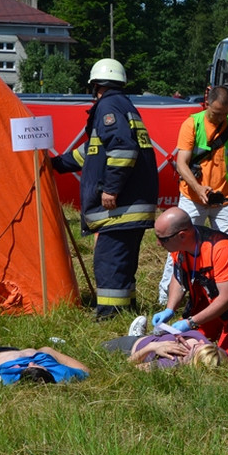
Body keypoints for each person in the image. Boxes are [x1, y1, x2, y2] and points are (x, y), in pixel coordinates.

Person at [50, 58, 158, 319]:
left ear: (96, 85)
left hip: (120, 205)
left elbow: (123, 149)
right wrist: (55, 164)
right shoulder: (124, 105)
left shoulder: (108, 106)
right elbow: (94, 152)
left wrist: (111, 189)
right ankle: (126, 311)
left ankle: (110, 315)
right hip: (133, 203)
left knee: (109, 262)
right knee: (121, 261)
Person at [160, 86, 228, 303]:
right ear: (207, 103)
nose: (219, 118)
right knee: (178, 247)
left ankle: (220, 296)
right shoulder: (192, 124)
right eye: (215, 112)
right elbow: (182, 163)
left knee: (227, 248)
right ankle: (166, 298)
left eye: (223, 113)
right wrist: (199, 189)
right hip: (192, 198)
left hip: (224, 200)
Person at [151, 207, 228, 359]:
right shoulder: (180, 246)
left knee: (219, 355)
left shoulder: (221, 249)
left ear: (182, 235)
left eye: (162, 239)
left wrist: (191, 322)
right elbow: (179, 277)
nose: (158, 243)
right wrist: (170, 309)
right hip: (212, 303)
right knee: (179, 341)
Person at [102, 330, 227, 370]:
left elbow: (128, 367)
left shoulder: (170, 362)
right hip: (150, 336)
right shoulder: (213, 351)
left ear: (191, 362)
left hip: (128, 347)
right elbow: (221, 355)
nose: (200, 341)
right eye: (206, 344)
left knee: (97, 350)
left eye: (196, 347)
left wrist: (152, 347)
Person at [0, 346, 89, 384]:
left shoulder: (5, 379)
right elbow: (85, 370)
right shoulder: (63, 375)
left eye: (29, 366)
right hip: (41, 355)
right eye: (35, 365)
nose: (30, 363)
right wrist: (50, 352)